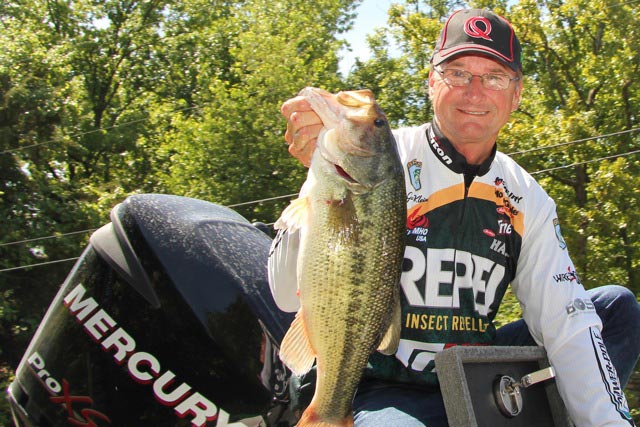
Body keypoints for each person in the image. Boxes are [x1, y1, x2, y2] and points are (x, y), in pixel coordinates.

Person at [270, 8, 640, 426]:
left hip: (473, 371)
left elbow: (565, 319)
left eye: (495, 77)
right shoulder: (375, 157)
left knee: (614, 309)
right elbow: (285, 293)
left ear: (516, 95)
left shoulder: (526, 196)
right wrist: (315, 182)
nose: (474, 92)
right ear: (431, 82)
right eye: (458, 73)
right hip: (380, 382)